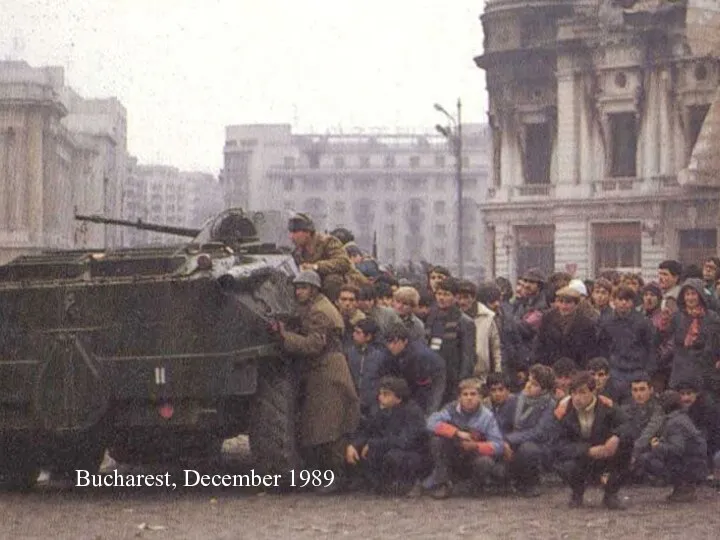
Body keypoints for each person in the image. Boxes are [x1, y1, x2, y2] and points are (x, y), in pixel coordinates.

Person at [273, 270, 360, 492]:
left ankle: (337, 478)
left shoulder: (320, 312)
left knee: (329, 428)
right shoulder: (317, 306)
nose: (298, 291)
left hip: (327, 371)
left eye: (303, 287)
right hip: (323, 369)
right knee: (320, 426)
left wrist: (284, 337)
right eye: (297, 287)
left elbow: (313, 345)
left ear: (313, 289)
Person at [412, 378, 504, 499]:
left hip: (474, 456)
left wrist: (476, 446)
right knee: (437, 441)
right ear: (459, 397)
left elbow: (498, 445)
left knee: (485, 462)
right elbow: (430, 422)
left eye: (473, 394)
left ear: (480, 397)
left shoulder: (487, 417)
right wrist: (456, 433)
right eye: (465, 394)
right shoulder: (450, 409)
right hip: (453, 453)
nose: (469, 398)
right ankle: (442, 484)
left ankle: (473, 486)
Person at [553, 371, 631, 510]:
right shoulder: (563, 410)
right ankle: (577, 493)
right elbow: (556, 443)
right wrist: (587, 450)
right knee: (564, 462)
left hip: (605, 454)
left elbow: (628, 425)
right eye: (574, 393)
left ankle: (611, 494)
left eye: (582, 392)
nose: (577, 398)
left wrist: (616, 436)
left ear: (593, 391)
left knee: (626, 445)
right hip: (580, 457)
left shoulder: (607, 406)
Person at [345, 377, 429, 495]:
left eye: (386, 394)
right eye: (380, 394)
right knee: (367, 452)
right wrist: (354, 445)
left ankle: (408, 484)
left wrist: (374, 444)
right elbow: (367, 430)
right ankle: (378, 484)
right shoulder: (381, 410)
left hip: (413, 454)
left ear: (398, 398)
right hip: (389, 447)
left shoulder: (413, 412)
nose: (381, 397)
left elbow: (405, 441)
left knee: (393, 456)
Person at [637, 390, 708, 502]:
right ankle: (682, 487)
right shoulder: (681, 417)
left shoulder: (674, 422)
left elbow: (677, 449)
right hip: (697, 464)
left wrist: (657, 446)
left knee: (647, 459)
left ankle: (684, 487)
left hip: (691, 467)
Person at [501, 364, 557, 497]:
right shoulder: (515, 399)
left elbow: (539, 432)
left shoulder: (550, 404)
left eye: (534, 384)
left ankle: (530, 483)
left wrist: (510, 439)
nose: (528, 386)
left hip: (539, 444)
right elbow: (503, 423)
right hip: (511, 440)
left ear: (544, 389)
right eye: (528, 381)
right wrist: (503, 440)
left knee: (528, 449)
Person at [288, 213, 368, 300]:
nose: (291, 236)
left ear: (307, 232)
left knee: (332, 280)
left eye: (295, 232)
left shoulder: (327, 242)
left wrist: (315, 267)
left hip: (351, 285)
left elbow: (343, 263)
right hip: (320, 287)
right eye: (291, 232)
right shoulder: (297, 252)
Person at [662, 278, 720, 391]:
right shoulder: (677, 317)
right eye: (687, 294)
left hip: (703, 375)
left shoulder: (712, 318)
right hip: (680, 373)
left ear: (700, 295)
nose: (690, 298)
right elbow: (667, 340)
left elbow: (714, 346)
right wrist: (663, 324)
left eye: (693, 294)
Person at [378, 324, 446, 414]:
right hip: (414, 380)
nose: (391, 346)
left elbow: (426, 388)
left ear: (405, 341)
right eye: (388, 343)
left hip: (432, 377)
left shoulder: (419, 355)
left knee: (429, 409)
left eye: (395, 343)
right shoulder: (390, 353)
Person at [597, 285, 657, 386]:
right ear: (614, 301)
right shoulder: (606, 321)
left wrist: (647, 372)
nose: (623, 303)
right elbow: (602, 346)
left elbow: (651, 347)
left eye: (627, 300)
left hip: (637, 371)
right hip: (614, 370)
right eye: (620, 299)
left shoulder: (643, 322)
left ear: (632, 302)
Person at [533, 286, 598, 369]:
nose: (564, 306)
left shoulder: (586, 323)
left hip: (574, 369)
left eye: (568, 303)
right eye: (561, 302)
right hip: (550, 366)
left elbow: (588, 353)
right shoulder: (548, 317)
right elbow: (540, 343)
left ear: (576, 304)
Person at [621, 374, 664, 480]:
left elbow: (650, 431)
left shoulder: (659, 407)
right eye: (635, 390)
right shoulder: (626, 408)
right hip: (633, 449)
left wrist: (634, 454)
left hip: (653, 449)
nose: (638, 394)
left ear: (651, 390)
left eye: (642, 389)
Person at [456, 280, 502, 379]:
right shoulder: (454, 317)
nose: (462, 302)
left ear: (473, 298)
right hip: (459, 374)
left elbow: (496, 347)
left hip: (482, 375)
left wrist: (498, 371)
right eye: (459, 298)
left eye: (466, 297)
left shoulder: (488, 317)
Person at [346, 319, 387, 418]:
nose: (354, 335)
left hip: (372, 404)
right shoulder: (349, 353)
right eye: (354, 331)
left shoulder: (380, 356)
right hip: (353, 402)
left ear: (368, 336)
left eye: (358, 333)